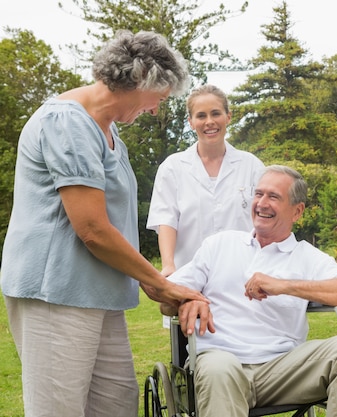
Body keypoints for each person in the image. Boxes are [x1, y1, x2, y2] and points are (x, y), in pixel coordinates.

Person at [0, 30, 208, 417]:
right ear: (143, 81)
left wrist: (147, 280)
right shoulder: (66, 123)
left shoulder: (110, 133)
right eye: (158, 99)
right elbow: (93, 229)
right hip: (56, 294)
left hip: (101, 294)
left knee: (116, 405)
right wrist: (158, 281)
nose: (154, 110)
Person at [163, 165, 337, 417]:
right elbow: (164, 298)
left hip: (283, 370)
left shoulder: (306, 257)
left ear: (297, 211)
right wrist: (186, 298)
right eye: (258, 194)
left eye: (273, 197)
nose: (262, 203)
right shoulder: (219, 245)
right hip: (221, 362)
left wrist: (285, 285)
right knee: (220, 368)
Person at [147, 84, 264, 278]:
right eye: (201, 116)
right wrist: (168, 265)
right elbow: (166, 220)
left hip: (243, 276)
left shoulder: (252, 166)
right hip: (190, 275)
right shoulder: (173, 168)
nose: (209, 122)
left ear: (228, 117)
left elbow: (265, 220)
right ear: (191, 122)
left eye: (216, 113)